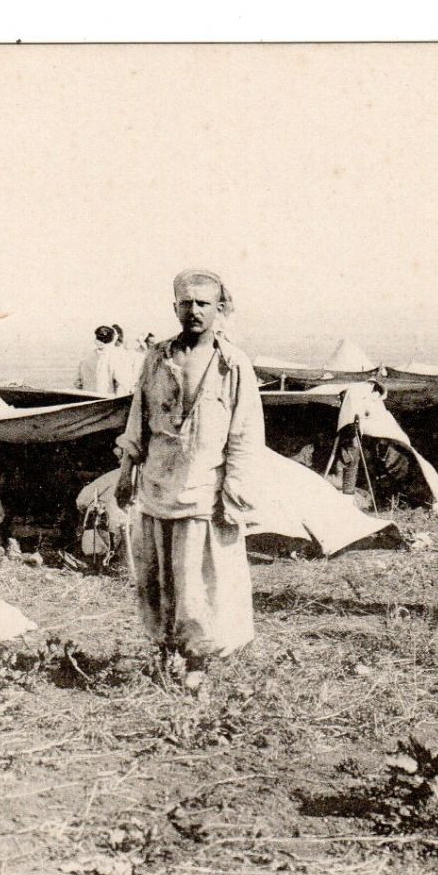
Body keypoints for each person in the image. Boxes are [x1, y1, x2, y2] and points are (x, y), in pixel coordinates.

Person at [114, 269, 264, 693]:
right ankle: (165, 651)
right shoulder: (157, 357)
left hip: (204, 491)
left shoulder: (233, 363)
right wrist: (127, 474)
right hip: (158, 485)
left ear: (220, 308)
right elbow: (137, 419)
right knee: (157, 576)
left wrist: (234, 491)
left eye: (203, 303)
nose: (194, 311)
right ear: (175, 306)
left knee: (197, 580)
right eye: (186, 302)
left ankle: (196, 659)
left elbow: (245, 433)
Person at [76, 325, 116, 392]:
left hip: (106, 397)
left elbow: (120, 383)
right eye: (99, 338)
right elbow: (78, 380)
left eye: (104, 340)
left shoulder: (114, 357)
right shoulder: (87, 358)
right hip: (89, 395)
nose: (101, 342)